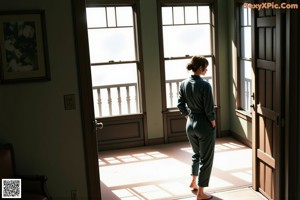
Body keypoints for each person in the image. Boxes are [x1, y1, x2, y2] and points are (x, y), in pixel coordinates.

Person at [177, 56, 216, 200]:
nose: (206, 69)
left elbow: (180, 104)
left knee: (196, 154)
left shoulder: (183, 83)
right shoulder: (205, 85)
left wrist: (188, 117)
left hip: (190, 123)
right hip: (203, 124)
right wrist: (212, 121)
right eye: (206, 67)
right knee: (207, 159)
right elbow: (208, 108)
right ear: (200, 68)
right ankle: (201, 193)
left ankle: (193, 182)